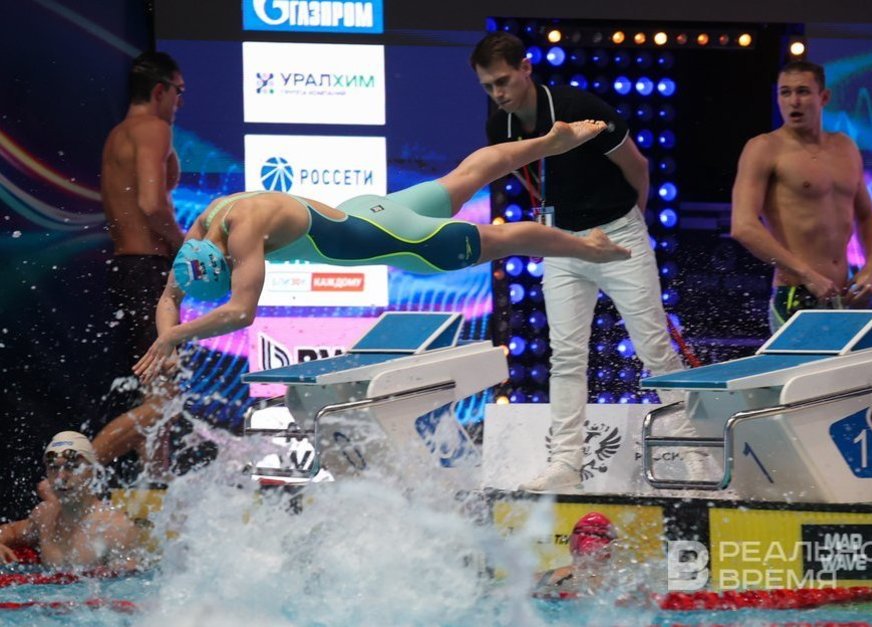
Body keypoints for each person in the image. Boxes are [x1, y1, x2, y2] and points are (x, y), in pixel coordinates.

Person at [132, 120, 630, 384]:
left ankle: (587, 245)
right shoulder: (208, 222)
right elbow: (169, 296)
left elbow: (241, 313)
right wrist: (166, 339)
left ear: (224, 263)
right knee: (466, 176)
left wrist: (176, 335)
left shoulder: (246, 237)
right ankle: (550, 141)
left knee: (510, 239)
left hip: (399, 239)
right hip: (370, 211)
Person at [470, 32, 687, 492]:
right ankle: (566, 463)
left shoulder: (577, 107)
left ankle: (691, 450)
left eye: (503, 81)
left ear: (526, 67)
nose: (498, 94)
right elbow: (532, 180)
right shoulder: (499, 127)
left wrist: (632, 221)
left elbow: (637, 166)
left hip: (618, 233)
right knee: (566, 355)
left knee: (653, 348)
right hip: (563, 242)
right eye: (488, 87)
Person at [730, 60, 872, 334]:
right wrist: (806, 273)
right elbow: (743, 227)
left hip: (842, 295)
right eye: (785, 92)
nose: (794, 101)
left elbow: (867, 215)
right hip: (795, 294)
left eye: (802, 91)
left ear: (823, 97)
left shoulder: (845, 147)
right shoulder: (764, 149)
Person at [94, 51, 187, 475]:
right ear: (159, 90)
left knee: (156, 394)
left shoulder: (118, 135)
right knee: (164, 397)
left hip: (128, 269)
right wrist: (186, 247)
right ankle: (72, 475)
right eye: (179, 92)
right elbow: (152, 204)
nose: (180, 102)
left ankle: (155, 486)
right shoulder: (153, 129)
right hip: (149, 270)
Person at [0, 432, 142, 570]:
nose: (60, 478)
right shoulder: (44, 517)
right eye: (53, 468)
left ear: (93, 471)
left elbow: (132, 582)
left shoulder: (116, 528)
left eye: (72, 467)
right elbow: (11, 531)